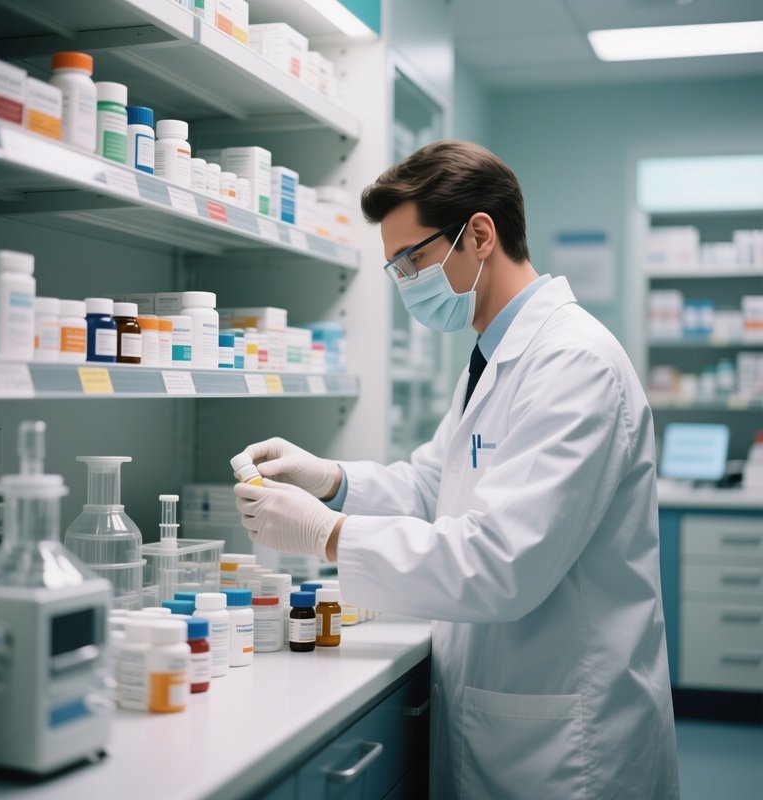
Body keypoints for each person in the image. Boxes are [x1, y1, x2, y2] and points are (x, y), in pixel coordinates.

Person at [234, 140, 680, 799]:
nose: (406, 281)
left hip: (569, 744)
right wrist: (330, 478)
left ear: (478, 234)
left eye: (411, 259)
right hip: (511, 712)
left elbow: (502, 562)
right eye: (395, 267)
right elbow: (433, 486)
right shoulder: (494, 357)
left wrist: (329, 534)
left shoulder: (573, 364)